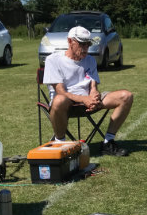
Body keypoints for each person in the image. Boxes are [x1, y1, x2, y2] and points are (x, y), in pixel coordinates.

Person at [42, 26, 133, 156]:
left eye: (88, 44)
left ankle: (108, 142)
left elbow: (93, 86)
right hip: (66, 104)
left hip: (88, 101)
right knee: (59, 100)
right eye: (81, 44)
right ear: (70, 41)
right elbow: (61, 92)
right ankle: (60, 143)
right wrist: (85, 99)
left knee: (126, 96)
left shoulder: (90, 60)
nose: (86, 48)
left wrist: (94, 95)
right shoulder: (53, 60)